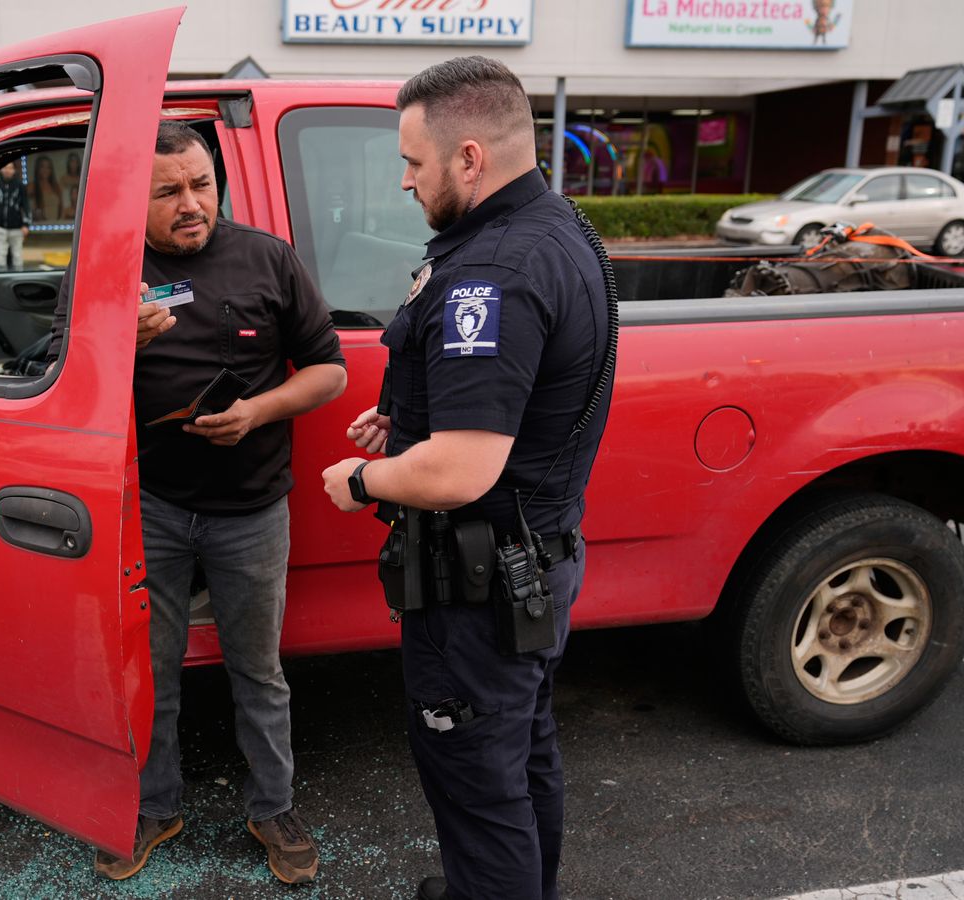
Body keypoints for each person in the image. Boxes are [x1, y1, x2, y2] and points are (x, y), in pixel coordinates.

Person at [321, 56, 615, 900]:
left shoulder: (492, 273)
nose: (406, 182)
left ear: (470, 158)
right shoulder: (559, 229)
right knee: (522, 758)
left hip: (478, 586)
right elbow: (506, 405)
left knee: (479, 787)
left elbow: (462, 468)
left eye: (415, 163)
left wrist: (367, 479)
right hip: (532, 561)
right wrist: (407, 421)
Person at [52, 121, 347, 884]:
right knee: (150, 669)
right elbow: (57, 382)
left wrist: (259, 410)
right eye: (169, 192)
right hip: (149, 508)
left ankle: (272, 805)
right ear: (133, 199)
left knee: (259, 667)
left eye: (201, 185)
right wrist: (123, 345)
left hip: (251, 507)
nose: (191, 203)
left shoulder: (266, 258)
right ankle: (155, 806)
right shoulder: (107, 269)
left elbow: (329, 373)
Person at [0, 162, 30, 271]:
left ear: (14, 170)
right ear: (1, 169)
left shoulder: (20, 186)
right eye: (5, 167)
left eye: (10, 168)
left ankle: (19, 278)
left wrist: (26, 224)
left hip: (16, 227)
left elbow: (25, 205)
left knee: (17, 255)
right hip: (0, 227)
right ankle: (0, 279)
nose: (8, 170)